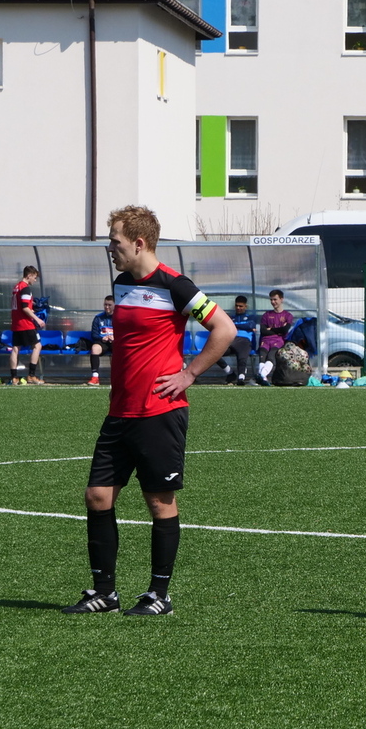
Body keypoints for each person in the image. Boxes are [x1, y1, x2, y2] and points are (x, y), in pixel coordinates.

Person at [63, 205, 236, 617]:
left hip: (160, 412)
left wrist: (189, 374)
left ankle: (159, 595)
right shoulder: (122, 283)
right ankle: (105, 593)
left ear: (139, 243)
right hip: (120, 412)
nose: (110, 249)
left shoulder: (176, 286)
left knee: (159, 502)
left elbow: (225, 328)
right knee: (97, 496)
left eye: (115, 242)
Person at [9, 265, 46, 385]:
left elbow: (21, 305)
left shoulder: (16, 287)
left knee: (15, 349)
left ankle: (14, 378)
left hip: (16, 322)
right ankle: (31, 375)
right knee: (37, 346)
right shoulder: (25, 288)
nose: (35, 280)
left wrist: (31, 307)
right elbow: (25, 308)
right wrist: (37, 319)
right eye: (34, 277)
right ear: (29, 276)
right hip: (25, 323)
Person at [256, 289, 293, 385]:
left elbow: (285, 330)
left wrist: (271, 329)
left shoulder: (287, 315)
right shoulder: (266, 315)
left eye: (275, 299)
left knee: (271, 355)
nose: (273, 302)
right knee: (262, 356)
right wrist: (278, 330)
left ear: (281, 299)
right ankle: (263, 378)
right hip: (265, 340)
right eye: (271, 300)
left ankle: (261, 375)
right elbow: (263, 331)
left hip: (278, 341)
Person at [219, 295, 257, 385]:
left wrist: (234, 325)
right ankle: (230, 373)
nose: (238, 308)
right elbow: (225, 326)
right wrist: (242, 326)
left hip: (244, 340)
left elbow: (250, 325)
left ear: (245, 306)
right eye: (237, 306)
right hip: (232, 340)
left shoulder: (251, 317)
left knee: (242, 357)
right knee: (215, 354)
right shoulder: (231, 318)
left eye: (241, 306)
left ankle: (241, 378)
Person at [87, 295, 114, 385]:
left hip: (115, 342)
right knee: (94, 348)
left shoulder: (119, 317)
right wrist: (102, 338)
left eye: (109, 305)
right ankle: (95, 377)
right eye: (105, 305)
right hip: (102, 342)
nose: (107, 307)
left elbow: (124, 332)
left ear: (115, 305)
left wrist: (115, 337)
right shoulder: (98, 318)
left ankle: (116, 377)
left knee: (119, 350)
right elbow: (94, 334)